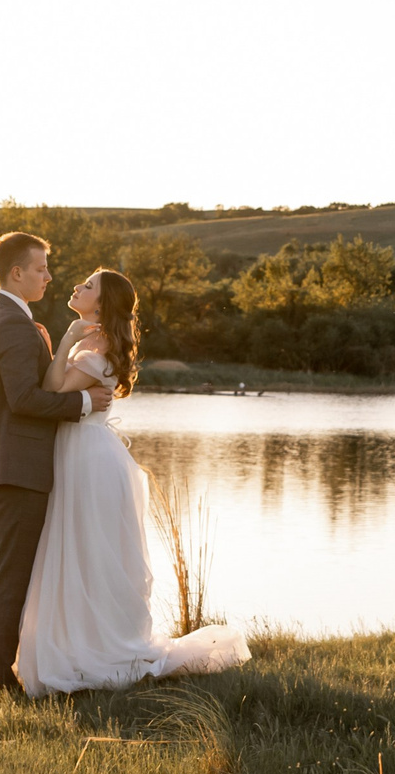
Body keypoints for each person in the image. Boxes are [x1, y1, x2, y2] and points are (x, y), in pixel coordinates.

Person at [16, 266, 250, 695]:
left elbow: (52, 390)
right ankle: (80, 644)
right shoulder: (97, 340)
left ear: (102, 305)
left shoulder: (95, 343)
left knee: (90, 553)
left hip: (88, 459)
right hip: (84, 453)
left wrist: (66, 339)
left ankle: (101, 650)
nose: (76, 287)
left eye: (88, 286)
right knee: (84, 552)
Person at [0, 231, 99, 690]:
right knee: (8, 577)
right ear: (16, 272)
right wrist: (82, 403)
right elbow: (23, 398)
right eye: (40, 268)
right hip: (16, 466)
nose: (49, 276)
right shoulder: (14, 324)